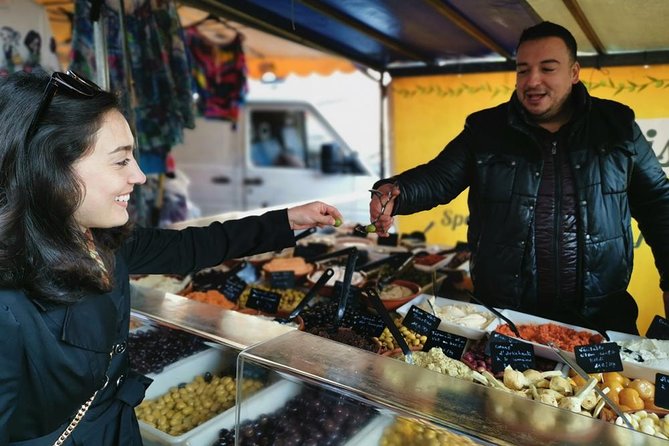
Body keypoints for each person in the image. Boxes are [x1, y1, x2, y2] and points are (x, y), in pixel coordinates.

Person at [0, 69, 343, 445]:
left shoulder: (95, 238)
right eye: (120, 161)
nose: (140, 176)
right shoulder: (9, 304)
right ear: (48, 169)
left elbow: (188, 248)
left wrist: (287, 221)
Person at [369, 22, 669, 335]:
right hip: (507, 319)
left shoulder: (617, 127)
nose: (532, 81)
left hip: (600, 317)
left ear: (574, 72)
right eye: (523, 70)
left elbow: (659, 204)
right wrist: (395, 192)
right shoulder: (486, 130)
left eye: (547, 68)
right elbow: (439, 178)